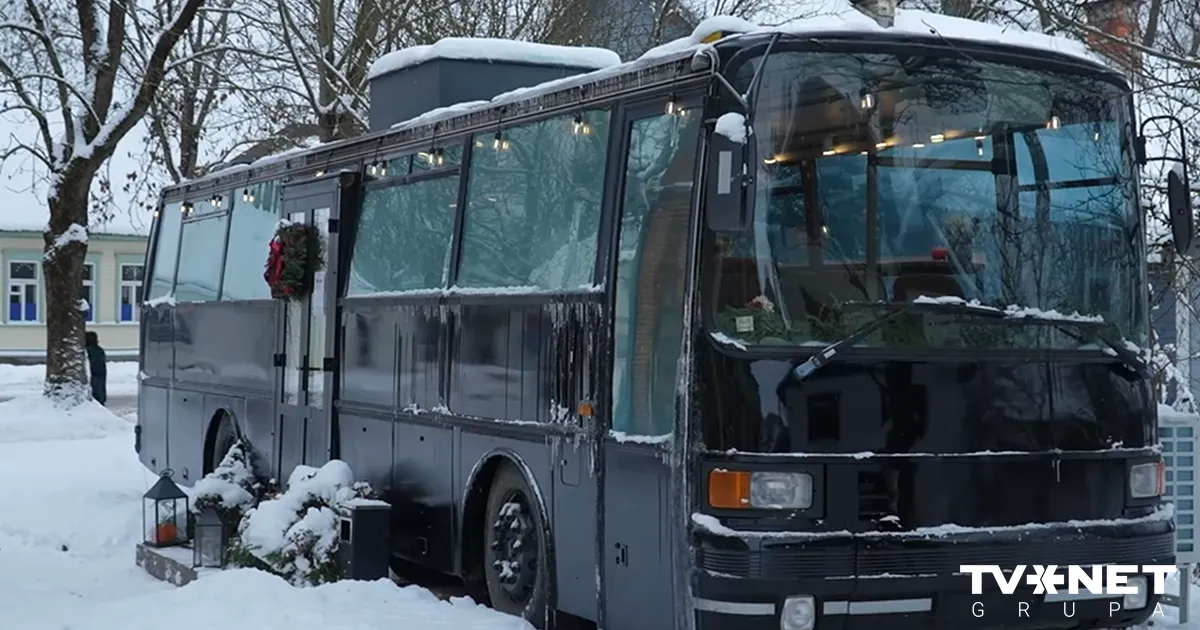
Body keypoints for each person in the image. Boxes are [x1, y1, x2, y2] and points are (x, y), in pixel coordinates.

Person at [85, 331, 107, 405]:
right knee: (100, 388)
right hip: (100, 373)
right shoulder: (99, 350)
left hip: (93, 373)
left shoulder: (87, 350)